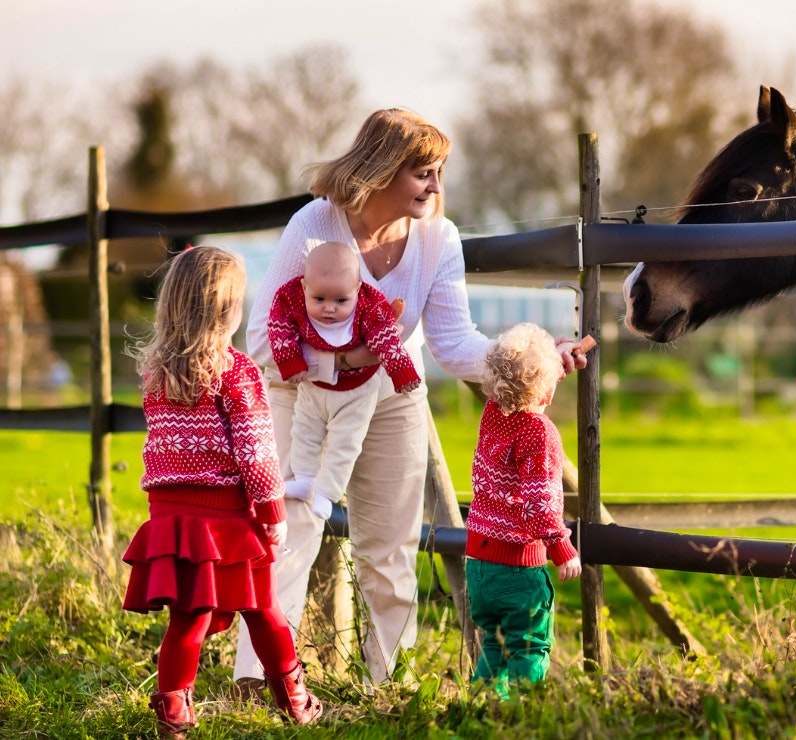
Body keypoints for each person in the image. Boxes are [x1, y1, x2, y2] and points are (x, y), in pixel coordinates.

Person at [236, 108, 588, 688]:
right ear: (380, 170)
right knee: (290, 531)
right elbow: (258, 342)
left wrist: (541, 356)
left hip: (390, 394)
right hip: (298, 391)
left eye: (440, 171)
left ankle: (387, 682)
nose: (436, 185)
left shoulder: (437, 238)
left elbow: (453, 344)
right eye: (423, 171)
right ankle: (262, 680)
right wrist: (346, 360)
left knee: (391, 546)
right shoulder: (315, 227)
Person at [122, 246, 322, 738]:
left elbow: (162, 450)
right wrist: (273, 511)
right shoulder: (236, 371)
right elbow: (256, 450)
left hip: (173, 519)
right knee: (263, 610)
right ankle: (295, 702)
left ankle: (174, 716)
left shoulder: (158, 374)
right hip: (226, 520)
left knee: (188, 621)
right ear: (224, 311)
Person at [465, 323, 583, 695]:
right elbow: (538, 504)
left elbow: (523, 386)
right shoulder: (540, 433)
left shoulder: (492, 412)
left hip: (479, 566)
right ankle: (525, 720)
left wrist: (552, 367)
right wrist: (561, 548)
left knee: (494, 646)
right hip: (517, 565)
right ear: (546, 389)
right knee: (528, 647)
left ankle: (480, 711)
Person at [267, 240, 420, 521]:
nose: (329, 309)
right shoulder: (290, 300)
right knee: (303, 430)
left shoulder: (369, 308)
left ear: (357, 291)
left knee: (345, 443)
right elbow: (279, 327)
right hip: (315, 386)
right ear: (304, 288)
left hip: (357, 391)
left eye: (340, 301)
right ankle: (304, 478)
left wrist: (402, 372)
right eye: (319, 299)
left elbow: (385, 340)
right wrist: (291, 361)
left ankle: (327, 492)